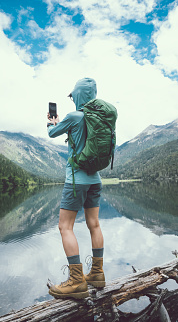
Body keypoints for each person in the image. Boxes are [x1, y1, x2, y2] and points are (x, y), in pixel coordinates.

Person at [46, 77, 105, 299]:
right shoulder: (101, 118)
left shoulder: (74, 117)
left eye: (73, 96)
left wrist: (51, 122)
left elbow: (52, 133)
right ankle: (97, 274)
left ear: (78, 96)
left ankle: (76, 281)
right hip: (95, 180)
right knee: (94, 224)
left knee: (65, 227)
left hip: (76, 180)